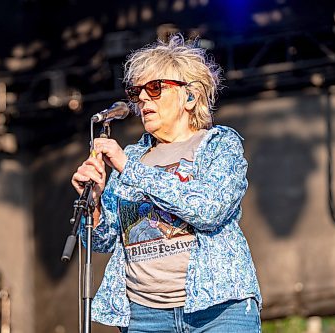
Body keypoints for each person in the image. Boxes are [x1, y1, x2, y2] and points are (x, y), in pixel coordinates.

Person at [71, 34, 262, 333]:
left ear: (190, 96)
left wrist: (128, 168)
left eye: (155, 88)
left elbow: (209, 209)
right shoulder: (133, 156)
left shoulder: (219, 144)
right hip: (145, 316)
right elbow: (102, 240)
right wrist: (93, 202)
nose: (144, 98)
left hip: (218, 311)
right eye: (138, 92)